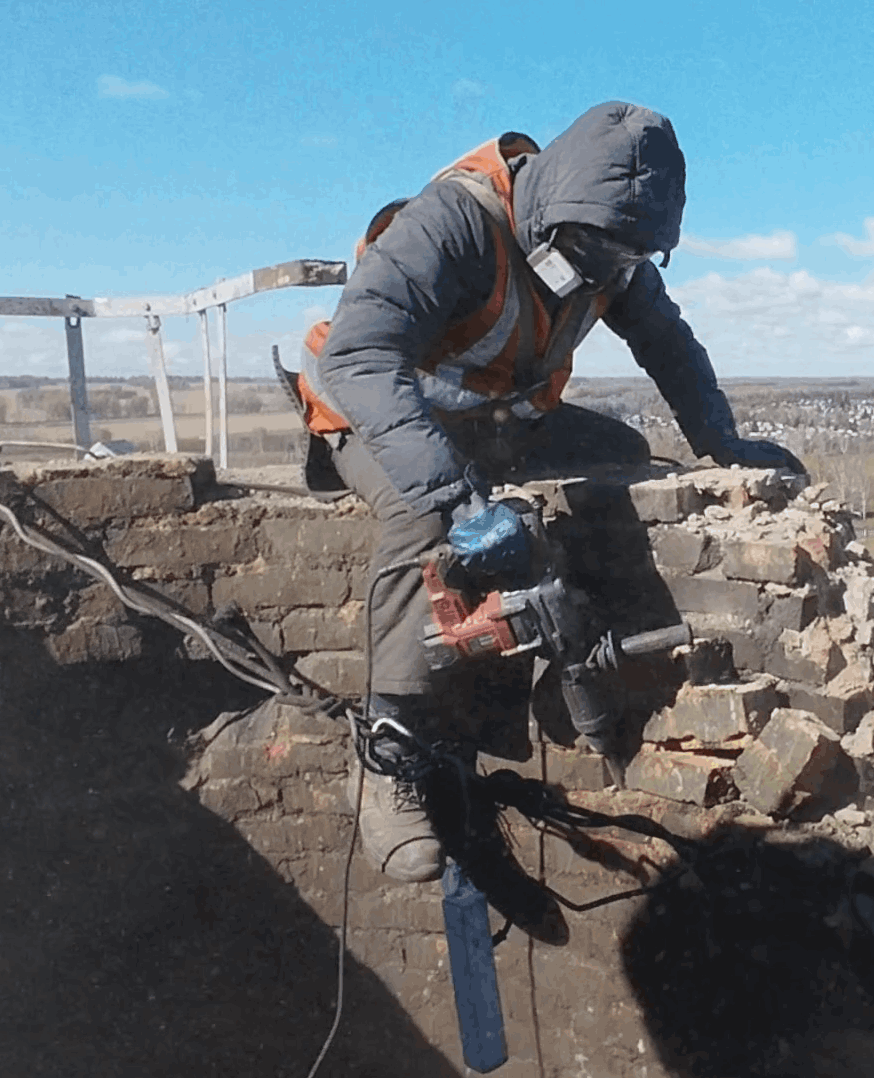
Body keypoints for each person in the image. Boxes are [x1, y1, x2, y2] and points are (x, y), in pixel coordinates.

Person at [281, 101, 802, 886]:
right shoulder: (454, 224)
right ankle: (391, 750)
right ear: (553, 209)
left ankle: (558, 652)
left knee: (622, 458)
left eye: (626, 259)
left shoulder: (609, 246)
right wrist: (459, 502)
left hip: (492, 424)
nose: (602, 275)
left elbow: (666, 341)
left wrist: (720, 441)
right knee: (426, 521)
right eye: (592, 252)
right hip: (374, 417)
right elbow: (358, 359)